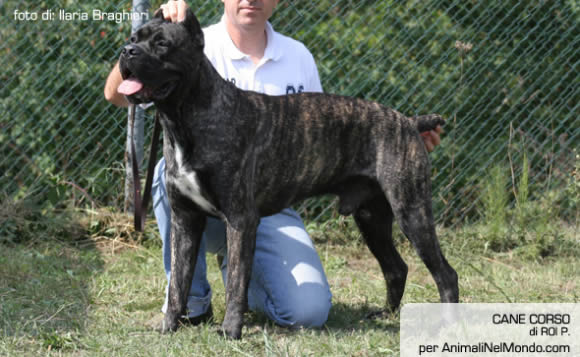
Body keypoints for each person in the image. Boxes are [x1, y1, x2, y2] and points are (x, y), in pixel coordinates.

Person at [104, 0, 442, 329]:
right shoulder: (191, 42)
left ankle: (447, 304)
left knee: (307, 312)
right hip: (205, 203)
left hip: (269, 209)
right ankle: (188, 306)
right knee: (168, 172)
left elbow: (328, 127)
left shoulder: (297, 56)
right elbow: (115, 94)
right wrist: (139, 55)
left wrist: (403, 137)